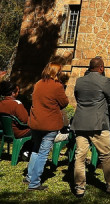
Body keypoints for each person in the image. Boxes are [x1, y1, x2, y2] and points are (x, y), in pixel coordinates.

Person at [71, 57, 110, 197]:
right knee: (105, 155)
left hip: (80, 122)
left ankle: (79, 188)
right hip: (99, 123)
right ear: (101, 68)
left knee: (80, 156)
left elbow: (77, 97)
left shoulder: (79, 81)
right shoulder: (105, 81)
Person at [26, 62, 69, 191]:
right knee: (43, 154)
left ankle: (29, 176)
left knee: (36, 149)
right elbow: (64, 102)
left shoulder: (38, 84)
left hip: (36, 122)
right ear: (56, 73)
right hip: (49, 124)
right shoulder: (57, 86)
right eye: (60, 72)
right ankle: (34, 183)